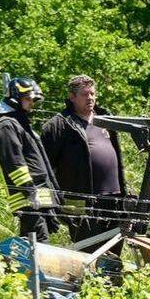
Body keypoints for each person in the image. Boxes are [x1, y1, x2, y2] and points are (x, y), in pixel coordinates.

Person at [40, 75, 128, 247]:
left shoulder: (106, 119)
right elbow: (45, 168)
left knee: (113, 256)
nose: (90, 98)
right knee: (88, 254)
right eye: (84, 94)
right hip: (83, 205)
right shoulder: (58, 126)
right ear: (72, 97)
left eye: (93, 94)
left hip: (114, 202)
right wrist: (51, 204)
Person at [0, 77, 61, 242]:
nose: (31, 103)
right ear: (15, 99)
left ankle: (19, 268)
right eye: (27, 99)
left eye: (32, 99)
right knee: (38, 246)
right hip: (28, 198)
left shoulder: (20, 124)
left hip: (39, 196)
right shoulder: (6, 126)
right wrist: (30, 193)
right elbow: (15, 164)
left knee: (38, 245)